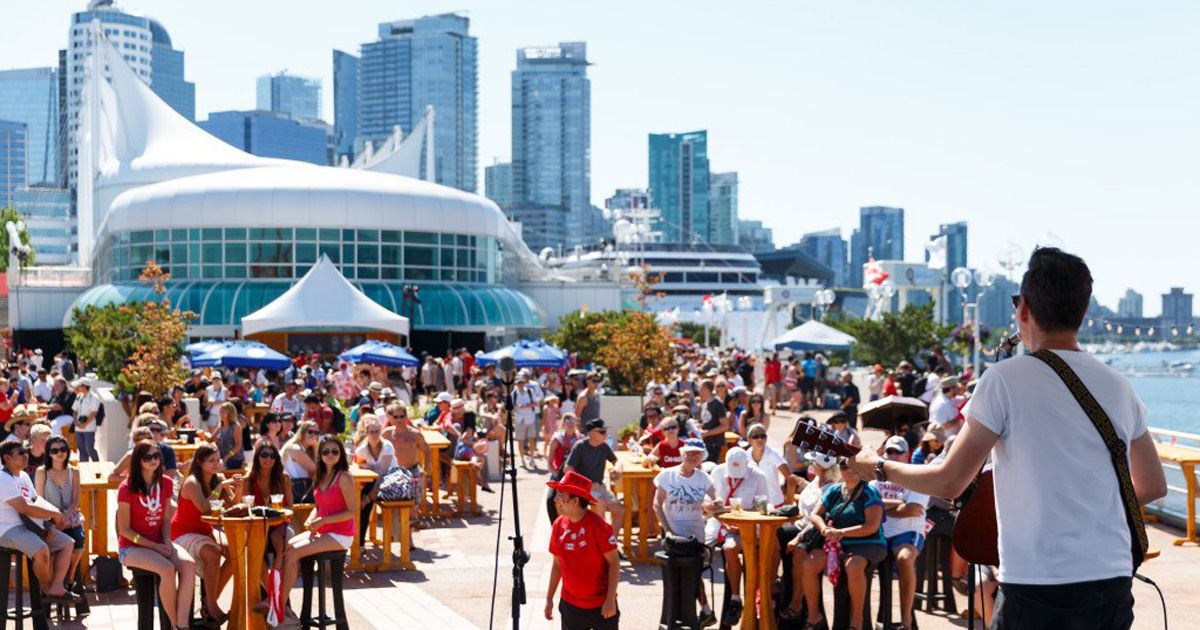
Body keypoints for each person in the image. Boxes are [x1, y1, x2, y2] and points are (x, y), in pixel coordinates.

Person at [850, 247, 1169, 630]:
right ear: (1083, 313)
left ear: (1023, 310)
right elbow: (1153, 484)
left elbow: (950, 481)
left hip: (1039, 585)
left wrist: (879, 467)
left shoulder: (1003, 379)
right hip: (1112, 580)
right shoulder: (1118, 385)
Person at [787, 458, 884, 629]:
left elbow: (872, 526)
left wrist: (841, 533)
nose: (849, 470)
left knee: (853, 565)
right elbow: (815, 515)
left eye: (854, 466)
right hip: (836, 542)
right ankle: (814, 616)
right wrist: (824, 528)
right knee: (809, 564)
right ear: (840, 469)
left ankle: (857, 621)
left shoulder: (869, 492)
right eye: (845, 466)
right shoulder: (833, 490)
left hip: (867, 542)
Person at [279, 437, 357, 628]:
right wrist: (312, 518)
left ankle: (278, 605)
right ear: (320, 455)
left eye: (335, 451)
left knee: (294, 552)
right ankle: (282, 603)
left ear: (341, 455)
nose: (330, 455)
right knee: (287, 546)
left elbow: (352, 512)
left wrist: (324, 520)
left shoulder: (345, 477)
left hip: (341, 534)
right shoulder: (320, 476)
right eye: (326, 452)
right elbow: (319, 506)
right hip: (324, 530)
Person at [116, 440, 195, 630]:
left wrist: (167, 541)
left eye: (156, 456)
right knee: (167, 569)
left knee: (188, 565)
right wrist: (154, 546)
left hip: (160, 541)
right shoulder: (126, 488)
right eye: (148, 457)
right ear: (138, 461)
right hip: (132, 546)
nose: (153, 460)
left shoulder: (166, 483)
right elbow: (125, 530)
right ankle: (175, 625)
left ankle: (183, 624)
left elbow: (166, 520)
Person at [0, 440, 78, 606]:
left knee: (67, 543)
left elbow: (36, 501)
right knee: (41, 549)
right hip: (6, 528)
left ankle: (57, 587)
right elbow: (25, 509)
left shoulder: (24, 475)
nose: (25, 455)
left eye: (25, 451)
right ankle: (46, 589)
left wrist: (47, 526)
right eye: (20, 453)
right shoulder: (2, 477)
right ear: (6, 457)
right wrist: (55, 514)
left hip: (29, 526)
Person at [172, 443, 240, 625]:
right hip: (183, 533)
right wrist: (221, 487)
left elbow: (232, 505)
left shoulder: (218, 478)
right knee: (213, 553)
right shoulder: (192, 481)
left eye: (218, 459)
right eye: (211, 460)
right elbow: (203, 507)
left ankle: (209, 602)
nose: (216, 463)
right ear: (200, 462)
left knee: (236, 552)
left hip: (205, 531)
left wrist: (238, 487)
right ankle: (211, 606)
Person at [652, 438, 717, 626]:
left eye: (697, 453)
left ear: (701, 457)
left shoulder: (704, 478)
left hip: (695, 533)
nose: (692, 456)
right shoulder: (667, 475)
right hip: (673, 533)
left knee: (694, 573)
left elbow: (716, 501)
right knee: (679, 576)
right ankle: (697, 613)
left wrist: (713, 506)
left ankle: (701, 611)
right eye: (689, 453)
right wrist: (668, 531)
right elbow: (657, 504)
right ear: (683, 454)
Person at [544, 471, 620, 629]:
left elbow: (614, 562)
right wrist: (549, 598)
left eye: (560, 495)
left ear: (575, 500)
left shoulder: (598, 526)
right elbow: (557, 565)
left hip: (601, 607)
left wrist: (610, 600)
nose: (556, 499)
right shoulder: (558, 525)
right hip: (570, 606)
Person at [867, 436, 927, 630]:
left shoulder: (917, 476)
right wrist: (898, 505)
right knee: (853, 559)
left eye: (897, 452)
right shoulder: (877, 478)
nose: (893, 456)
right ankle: (858, 621)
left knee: (904, 559)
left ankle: (906, 622)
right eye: (889, 452)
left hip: (908, 531)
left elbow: (913, 510)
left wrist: (881, 507)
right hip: (880, 532)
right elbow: (867, 506)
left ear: (907, 455)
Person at [707, 447, 772, 626]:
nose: (736, 476)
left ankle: (736, 599)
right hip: (720, 521)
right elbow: (709, 505)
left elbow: (762, 508)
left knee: (730, 549)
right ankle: (704, 608)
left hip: (748, 525)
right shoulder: (717, 472)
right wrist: (725, 519)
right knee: (697, 552)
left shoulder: (758, 476)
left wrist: (740, 520)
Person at [240, 441, 293, 570]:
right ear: (257, 457)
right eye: (264, 455)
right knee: (257, 545)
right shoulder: (249, 479)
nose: (268, 459)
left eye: (272, 456)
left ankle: (275, 580)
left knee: (280, 544)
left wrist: (278, 511)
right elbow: (243, 507)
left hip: (279, 522)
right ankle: (262, 583)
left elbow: (291, 506)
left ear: (276, 459)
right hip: (256, 525)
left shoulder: (283, 478)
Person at [563, 419, 623, 531]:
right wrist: (587, 484)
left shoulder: (604, 446)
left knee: (620, 510)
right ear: (591, 433)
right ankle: (597, 540)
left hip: (600, 486)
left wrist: (617, 468)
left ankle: (610, 541)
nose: (605, 434)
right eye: (601, 432)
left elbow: (616, 461)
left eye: (605, 431)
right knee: (601, 503)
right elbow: (568, 469)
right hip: (584, 488)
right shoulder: (580, 446)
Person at [354, 416, 395, 542]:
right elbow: (356, 464)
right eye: (372, 432)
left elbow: (383, 473)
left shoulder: (387, 446)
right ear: (366, 433)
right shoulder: (362, 449)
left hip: (391, 480)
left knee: (364, 501)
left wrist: (370, 496)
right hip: (374, 483)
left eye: (377, 431)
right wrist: (363, 465)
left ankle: (359, 544)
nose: (375, 435)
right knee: (361, 504)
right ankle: (358, 543)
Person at [744, 423, 795, 506]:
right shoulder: (746, 456)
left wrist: (789, 505)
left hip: (775, 504)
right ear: (748, 440)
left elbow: (791, 479)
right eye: (755, 436)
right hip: (752, 506)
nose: (759, 439)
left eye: (762, 436)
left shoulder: (773, 454)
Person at [281, 421, 319, 504]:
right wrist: (316, 446)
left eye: (316, 433)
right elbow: (317, 470)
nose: (313, 435)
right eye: (310, 432)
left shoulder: (305, 448)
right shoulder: (295, 448)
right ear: (302, 432)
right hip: (295, 491)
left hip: (300, 490)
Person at [697, 380, 729, 463]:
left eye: (700, 388)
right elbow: (707, 422)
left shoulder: (718, 404)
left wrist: (707, 433)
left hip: (715, 444)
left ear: (706, 389)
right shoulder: (704, 404)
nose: (699, 390)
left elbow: (725, 426)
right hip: (705, 444)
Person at [213, 402, 244, 469]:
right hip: (221, 458)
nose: (221, 414)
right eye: (220, 412)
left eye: (224, 412)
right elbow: (211, 440)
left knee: (217, 468)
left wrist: (227, 457)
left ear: (230, 414)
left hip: (234, 459)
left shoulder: (235, 426)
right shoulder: (220, 426)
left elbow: (238, 446)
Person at [541, 394, 562, 461]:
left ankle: (553, 454)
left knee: (554, 440)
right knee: (547, 441)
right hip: (548, 425)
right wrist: (545, 426)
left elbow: (560, 415)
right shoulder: (545, 408)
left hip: (554, 426)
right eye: (552, 400)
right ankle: (545, 453)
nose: (553, 401)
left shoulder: (556, 407)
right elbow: (544, 418)